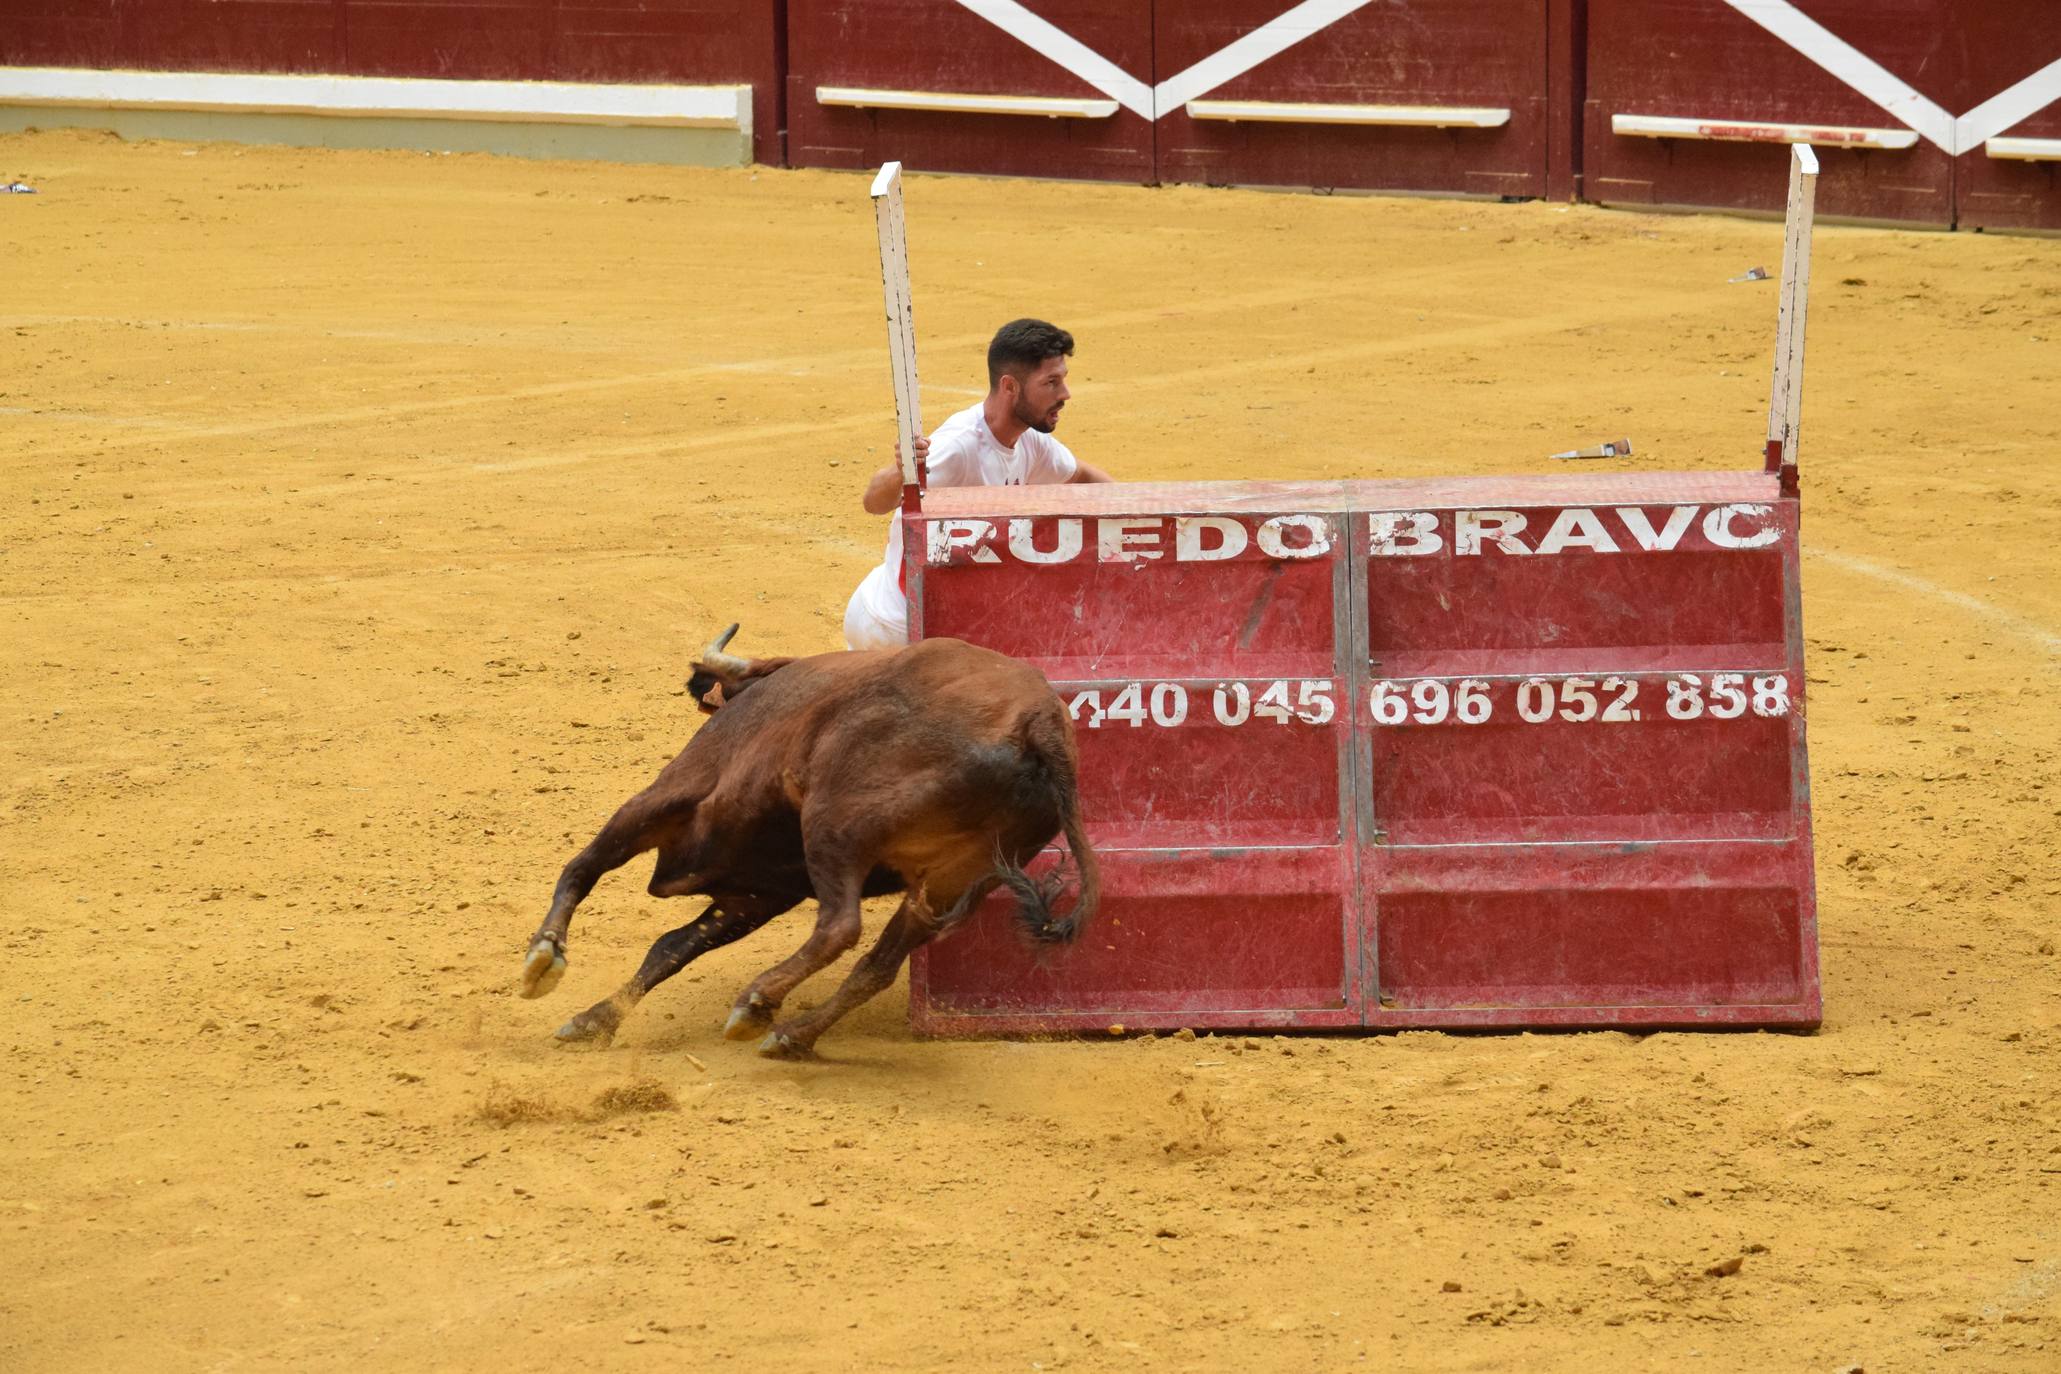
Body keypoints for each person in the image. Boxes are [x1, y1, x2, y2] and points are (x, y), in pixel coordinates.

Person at [843, 318, 1114, 650]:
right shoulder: (959, 446)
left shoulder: (1030, 442)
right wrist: (900, 471)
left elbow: (1083, 477)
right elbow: (875, 502)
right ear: (1010, 386)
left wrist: (1144, 510)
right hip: (898, 629)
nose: (1065, 394)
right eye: (1051, 383)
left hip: (916, 613)